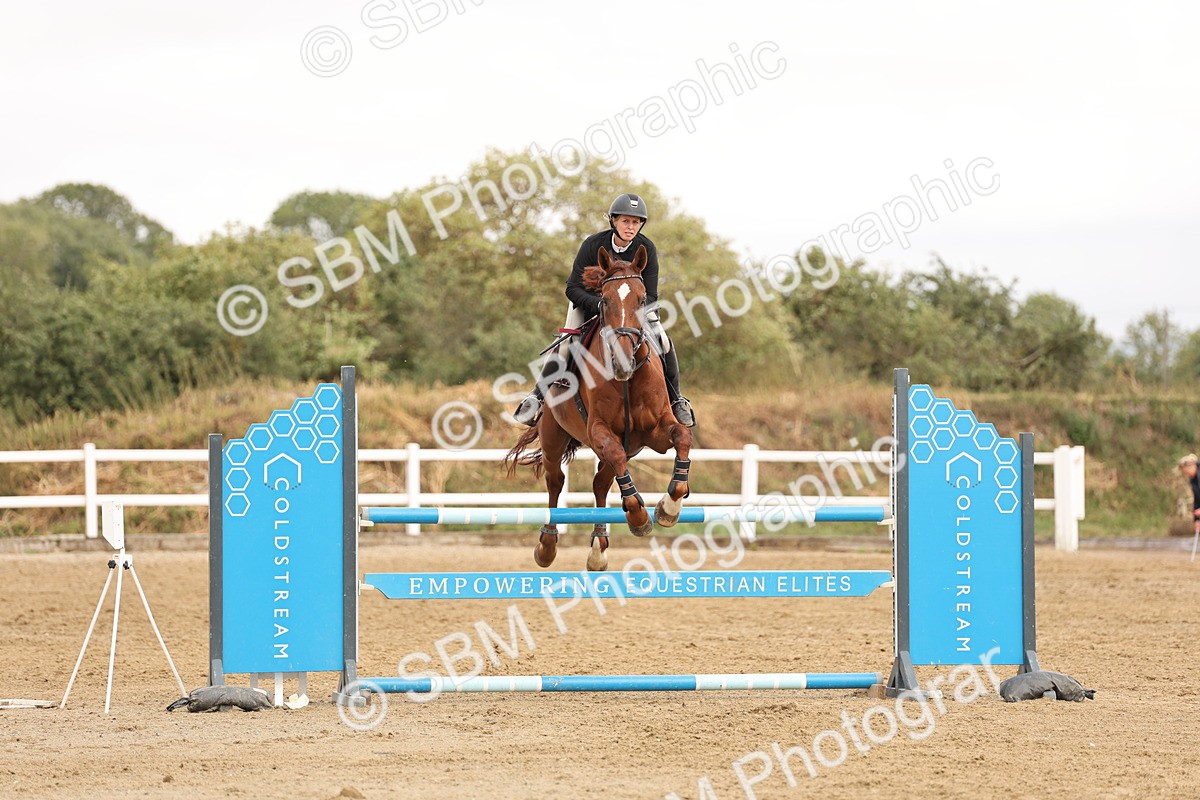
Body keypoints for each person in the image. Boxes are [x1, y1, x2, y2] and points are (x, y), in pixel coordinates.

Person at [512, 193, 695, 427]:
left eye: (636, 222)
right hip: (590, 305)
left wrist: (626, 308)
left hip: (631, 310)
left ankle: (677, 399)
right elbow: (572, 288)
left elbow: (651, 294)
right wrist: (599, 305)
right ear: (613, 221)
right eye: (626, 221)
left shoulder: (646, 248)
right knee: (566, 344)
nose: (631, 227)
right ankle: (536, 398)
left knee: (663, 340)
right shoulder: (592, 245)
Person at [1181, 453, 1199, 523]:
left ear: (1192, 466)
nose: (1186, 474)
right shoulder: (1193, 479)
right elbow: (1197, 499)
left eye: (1187, 472)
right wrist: (1197, 519)